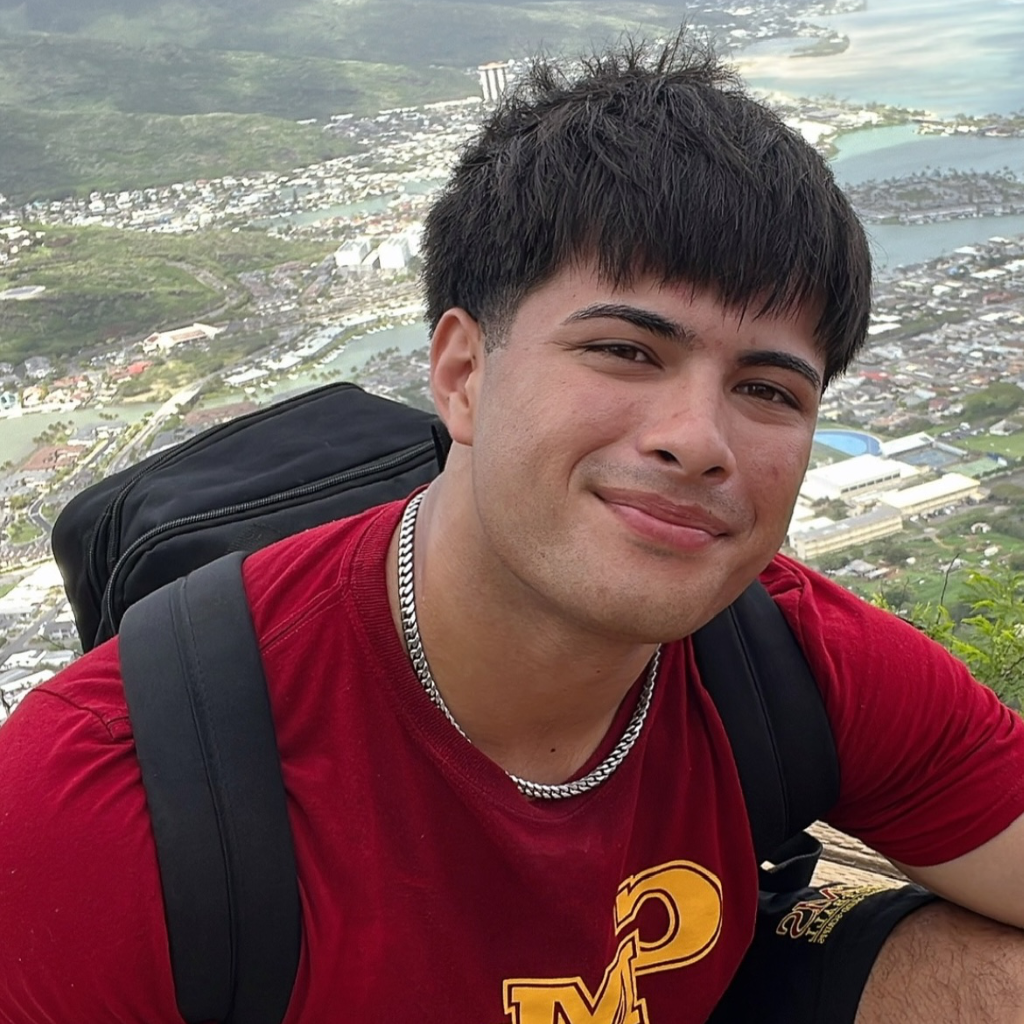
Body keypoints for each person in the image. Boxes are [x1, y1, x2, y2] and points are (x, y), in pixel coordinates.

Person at [2, 33, 1024, 1024]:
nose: (697, 439)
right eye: (625, 350)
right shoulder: (102, 803)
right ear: (462, 374)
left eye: (766, 389)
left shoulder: (791, 663)